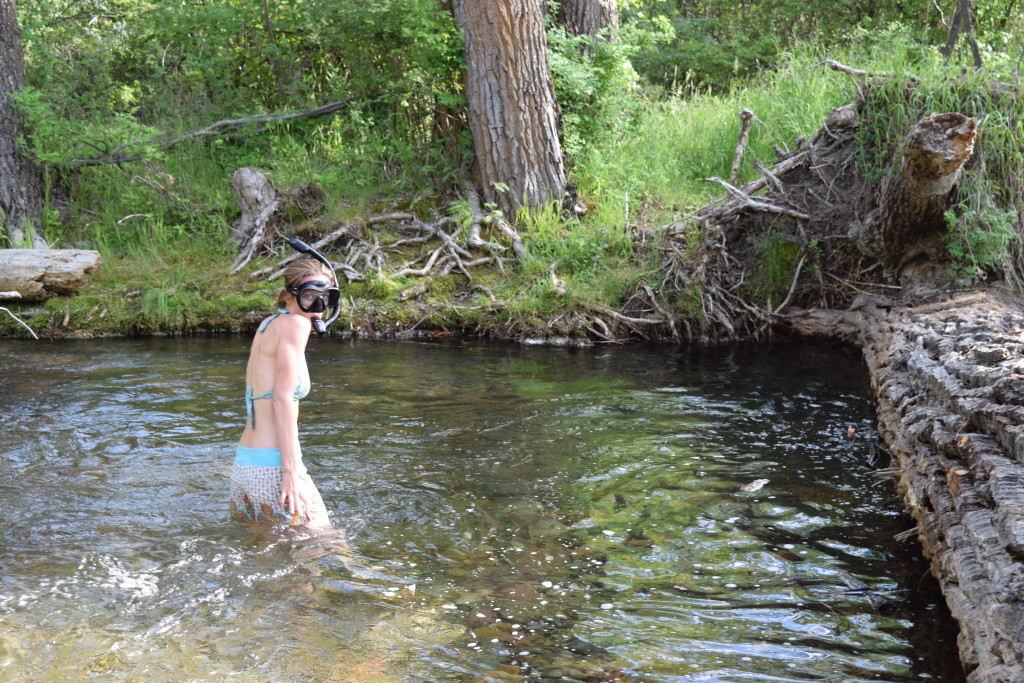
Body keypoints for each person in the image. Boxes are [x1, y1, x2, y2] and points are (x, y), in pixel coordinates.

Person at [229, 258, 338, 529]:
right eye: (310, 296)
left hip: (244, 466)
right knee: (328, 543)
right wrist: (291, 473)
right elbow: (282, 399)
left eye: (325, 298)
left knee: (265, 557)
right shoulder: (296, 326)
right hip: (273, 469)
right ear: (290, 296)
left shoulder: (268, 325)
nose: (319, 307)